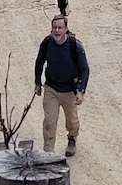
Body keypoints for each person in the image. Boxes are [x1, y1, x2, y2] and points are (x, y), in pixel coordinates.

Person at [34, 14, 89, 157]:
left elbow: (85, 69)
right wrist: (38, 83)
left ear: (66, 29)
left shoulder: (74, 46)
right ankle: (48, 150)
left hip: (69, 90)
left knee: (72, 119)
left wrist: (80, 90)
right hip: (51, 87)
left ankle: (72, 139)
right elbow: (39, 62)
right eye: (54, 28)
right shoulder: (47, 43)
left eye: (60, 28)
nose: (57, 31)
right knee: (49, 120)